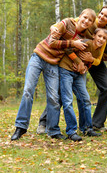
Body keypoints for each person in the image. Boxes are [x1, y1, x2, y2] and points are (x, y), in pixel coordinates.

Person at [11, 8, 96, 141]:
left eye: (90, 20)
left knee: (54, 98)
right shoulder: (67, 23)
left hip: (54, 63)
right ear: (79, 16)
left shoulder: (83, 39)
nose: (86, 21)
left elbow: (76, 53)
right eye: (84, 17)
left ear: (92, 24)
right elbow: (52, 42)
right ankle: (20, 127)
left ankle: (53, 130)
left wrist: (85, 64)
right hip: (38, 56)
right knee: (28, 90)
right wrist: (73, 43)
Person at [36, 5, 107, 134]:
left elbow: (98, 57)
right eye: (101, 13)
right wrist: (54, 27)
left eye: (106, 16)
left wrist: (87, 64)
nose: (102, 17)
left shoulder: (105, 34)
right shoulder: (89, 20)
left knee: (85, 97)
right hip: (69, 60)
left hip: (86, 62)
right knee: (62, 95)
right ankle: (45, 122)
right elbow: (71, 21)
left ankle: (88, 127)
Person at [59, 28, 107, 141]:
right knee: (67, 100)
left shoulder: (98, 51)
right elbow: (67, 49)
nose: (101, 39)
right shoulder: (86, 43)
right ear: (94, 36)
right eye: (99, 36)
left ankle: (87, 128)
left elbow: (90, 63)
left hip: (78, 74)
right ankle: (71, 132)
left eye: (104, 38)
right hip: (66, 69)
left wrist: (85, 67)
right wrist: (79, 62)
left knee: (85, 99)